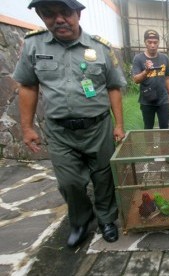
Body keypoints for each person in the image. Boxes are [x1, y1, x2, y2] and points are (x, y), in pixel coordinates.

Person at [13, 0, 126, 247]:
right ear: (41, 16)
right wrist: (27, 127)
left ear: (78, 13)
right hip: (60, 130)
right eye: (49, 13)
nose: (59, 19)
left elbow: (114, 87)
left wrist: (119, 125)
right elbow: (28, 86)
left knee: (104, 176)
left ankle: (107, 219)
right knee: (69, 182)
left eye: (65, 12)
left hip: (98, 127)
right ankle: (80, 220)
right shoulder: (34, 45)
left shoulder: (100, 48)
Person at [132, 29, 169, 129]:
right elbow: (136, 80)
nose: (152, 45)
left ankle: (164, 145)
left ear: (158, 43)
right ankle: (150, 146)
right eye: (149, 42)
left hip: (163, 100)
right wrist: (146, 71)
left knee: (164, 128)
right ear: (145, 42)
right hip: (147, 100)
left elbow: (167, 78)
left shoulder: (164, 58)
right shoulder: (138, 58)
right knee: (148, 128)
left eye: (155, 42)